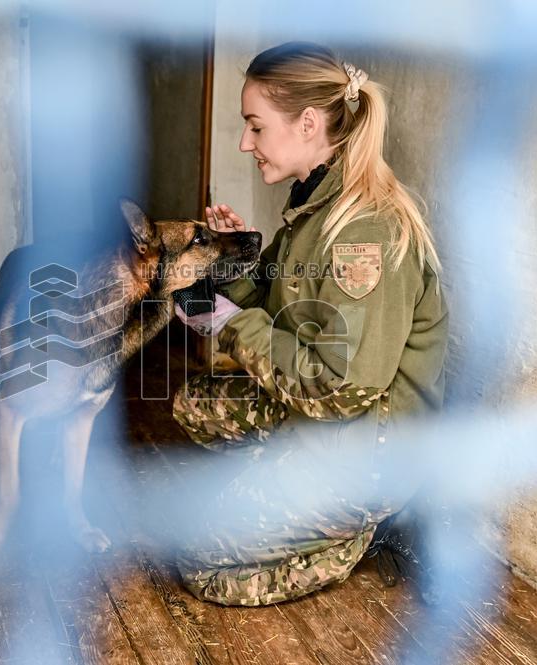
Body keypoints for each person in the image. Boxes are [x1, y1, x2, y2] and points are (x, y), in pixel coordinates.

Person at [170, 42, 450, 606]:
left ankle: (352, 535)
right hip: (322, 424)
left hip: (365, 454)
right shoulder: (314, 208)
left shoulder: (363, 234)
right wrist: (233, 262)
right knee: (193, 405)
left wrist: (232, 324)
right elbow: (275, 300)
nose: (245, 142)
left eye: (255, 126)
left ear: (307, 123)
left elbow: (341, 388)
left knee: (200, 561)